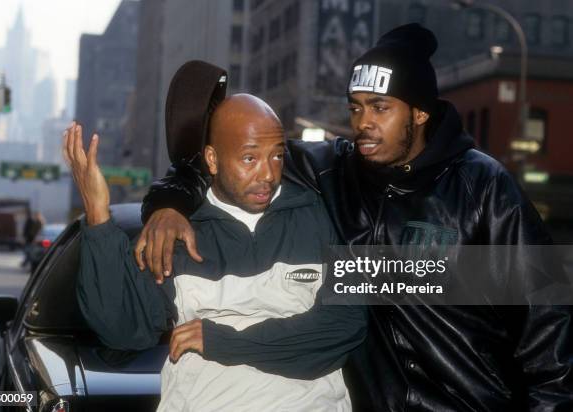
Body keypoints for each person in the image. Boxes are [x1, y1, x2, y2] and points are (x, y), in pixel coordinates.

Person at [137, 24, 573, 411]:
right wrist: (166, 208)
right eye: (356, 107)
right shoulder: (335, 170)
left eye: (380, 107)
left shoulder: (482, 185)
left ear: (419, 112)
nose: (363, 122)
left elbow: (548, 315)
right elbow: (216, 163)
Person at [65, 94, 360, 411]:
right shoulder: (176, 237)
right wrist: (97, 216)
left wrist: (223, 341)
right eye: (250, 158)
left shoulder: (325, 217)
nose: (267, 174)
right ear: (212, 159)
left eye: (276, 156)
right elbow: (122, 332)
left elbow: (345, 326)